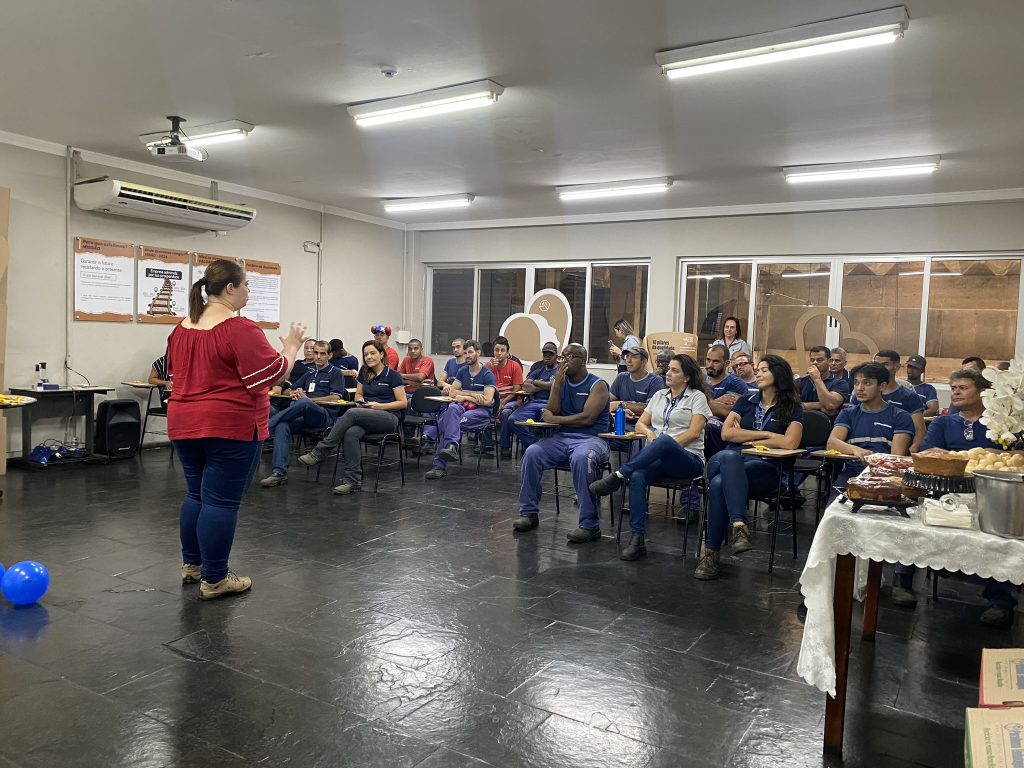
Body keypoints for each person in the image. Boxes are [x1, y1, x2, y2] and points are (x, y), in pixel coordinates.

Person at [167, 259, 304, 600]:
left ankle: (193, 566)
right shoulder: (239, 329)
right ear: (230, 288)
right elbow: (273, 374)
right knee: (221, 502)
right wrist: (291, 346)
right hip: (229, 426)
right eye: (245, 285)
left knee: (196, 494)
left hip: (183, 423)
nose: (248, 291)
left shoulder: (181, 328)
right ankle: (215, 579)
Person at [893, 368, 1015, 626]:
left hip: (990, 494)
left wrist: (972, 454)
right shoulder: (943, 422)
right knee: (916, 522)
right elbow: (928, 454)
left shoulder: (1000, 424)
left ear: (983, 392)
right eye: (954, 388)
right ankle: (902, 581)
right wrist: (965, 458)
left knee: (997, 538)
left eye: (963, 387)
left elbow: (1015, 457)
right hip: (946, 491)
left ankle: (1000, 601)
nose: (956, 392)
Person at [590, 354, 712, 560]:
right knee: (638, 476)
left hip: (689, 461)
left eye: (675, 370)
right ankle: (637, 539)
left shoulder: (697, 397)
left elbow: (693, 433)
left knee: (664, 441)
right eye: (669, 369)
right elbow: (640, 423)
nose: (668, 373)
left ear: (687, 377)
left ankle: (618, 476)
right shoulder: (659, 395)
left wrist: (665, 445)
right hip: (660, 458)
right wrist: (649, 434)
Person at [694, 355, 804, 581]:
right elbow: (726, 433)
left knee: (718, 483)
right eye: (759, 369)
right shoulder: (746, 400)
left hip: (766, 469)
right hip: (729, 458)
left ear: (779, 374)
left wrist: (747, 439)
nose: (759, 373)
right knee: (728, 458)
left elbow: (790, 442)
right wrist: (766, 435)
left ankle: (712, 553)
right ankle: (738, 527)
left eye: (765, 369)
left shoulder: (792, 407)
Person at [513, 343, 610, 542]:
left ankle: (590, 525)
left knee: (582, 458)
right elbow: (552, 411)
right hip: (563, 438)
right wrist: (556, 385)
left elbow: (587, 418)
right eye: (563, 356)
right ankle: (529, 514)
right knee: (532, 453)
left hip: (592, 439)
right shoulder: (562, 382)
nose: (563, 361)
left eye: (569, 357)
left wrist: (556, 420)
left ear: (582, 361)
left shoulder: (598, 385)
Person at [298, 340, 407, 494]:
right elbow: (359, 394)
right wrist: (360, 402)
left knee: (351, 413)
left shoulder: (393, 375)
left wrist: (379, 406)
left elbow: (403, 403)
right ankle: (353, 481)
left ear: (381, 354)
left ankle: (321, 451)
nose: (369, 357)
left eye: (372, 353)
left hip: (388, 417)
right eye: (366, 354)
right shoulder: (364, 372)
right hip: (367, 415)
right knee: (351, 434)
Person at [260, 340, 347, 487]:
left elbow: (336, 397)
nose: (318, 357)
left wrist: (309, 399)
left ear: (329, 355)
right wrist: (295, 392)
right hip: (304, 415)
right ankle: (279, 473)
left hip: (324, 416)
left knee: (304, 402)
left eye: (322, 354)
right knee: (283, 425)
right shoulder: (310, 372)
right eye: (316, 353)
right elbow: (288, 390)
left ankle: (268, 426)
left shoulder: (336, 373)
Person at [826, 362, 915, 493]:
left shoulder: (901, 416)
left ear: (882, 386)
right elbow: (832, 443)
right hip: (852, 473)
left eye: (867, 383)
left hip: (887, 476)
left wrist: (874, 462)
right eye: (856, 383)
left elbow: (896, 457)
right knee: (834, 504)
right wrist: (856, 450)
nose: (859, 388)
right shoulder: (847, 414)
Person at [426, 339, 497, 479]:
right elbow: (452, 393)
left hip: (481, 412)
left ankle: (439, 465)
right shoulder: (463, 370)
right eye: (465, 353)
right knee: (452, 408)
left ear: (478, 352)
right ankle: (452, 445)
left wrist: (465, 396)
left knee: (450, 424)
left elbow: (488, 400)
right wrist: (475, 395)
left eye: (470, 352)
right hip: (463, 408)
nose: (467, 356)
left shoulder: (488, 374)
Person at [501, 342, 560, 458]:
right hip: (533, 402)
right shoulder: (539, 370)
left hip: (551, 404)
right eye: (545, 354)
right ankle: (537, 445)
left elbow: (556, 385)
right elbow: (525, 385)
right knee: (512, 419)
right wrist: (547, 385)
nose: (547, 357)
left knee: (545, 424)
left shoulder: (560, 370)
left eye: (550, 354)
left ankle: (541, 448)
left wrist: (537, 383)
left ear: (556, 356)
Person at [865, 350, 926, 450]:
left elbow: (920, 430)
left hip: (897, 452)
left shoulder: (909, 396)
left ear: (896, 367)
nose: (880, 368)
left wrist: (914, 449)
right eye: (876, 365)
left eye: (885, 365)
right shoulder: (863, 393)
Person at [608, 347, 665, 447]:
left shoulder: (655, 381)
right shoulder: (621, 377)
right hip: (622, 425)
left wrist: (621, 404)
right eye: (627, 356)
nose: (628, 360)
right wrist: (621, 410)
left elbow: (650, 408)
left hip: (644, 426)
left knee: (638, 442)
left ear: (644, 361)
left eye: (634, 357)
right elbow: (608, 404)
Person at [704, 344, 748, 458]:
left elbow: (726, 411)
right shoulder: (699, 382)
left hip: (723, 430)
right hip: (697, 423)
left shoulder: (736, 384)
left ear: (727, 363)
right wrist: (715, 402)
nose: (710, 365)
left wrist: (701, 403)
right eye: (708, 360)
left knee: (708, 425)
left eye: (716, 362)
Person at [483, 336, 524, 455]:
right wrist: (487, 368)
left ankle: (505, 446)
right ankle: (486, 445)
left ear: (507, 352)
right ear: (493, 351)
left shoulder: (514, 366)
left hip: (512, 400)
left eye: (502, 350)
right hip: (493, 399)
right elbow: (481, 385)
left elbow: (517, 389)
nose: (499, 353)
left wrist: (503, 402)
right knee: (483, 408)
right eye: (497, 350)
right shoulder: (488, 366)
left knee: (505, 412)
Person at [798, 345, 851, 419]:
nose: (815, 363)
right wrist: (819, 405)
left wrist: (817, 379)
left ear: (828, 361)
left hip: (828, 427)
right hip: (802, 425)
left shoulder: (840, 383)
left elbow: (830, 404)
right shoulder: (800, 382)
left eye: (820, 360)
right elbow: (789, 406)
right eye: (812, 360)